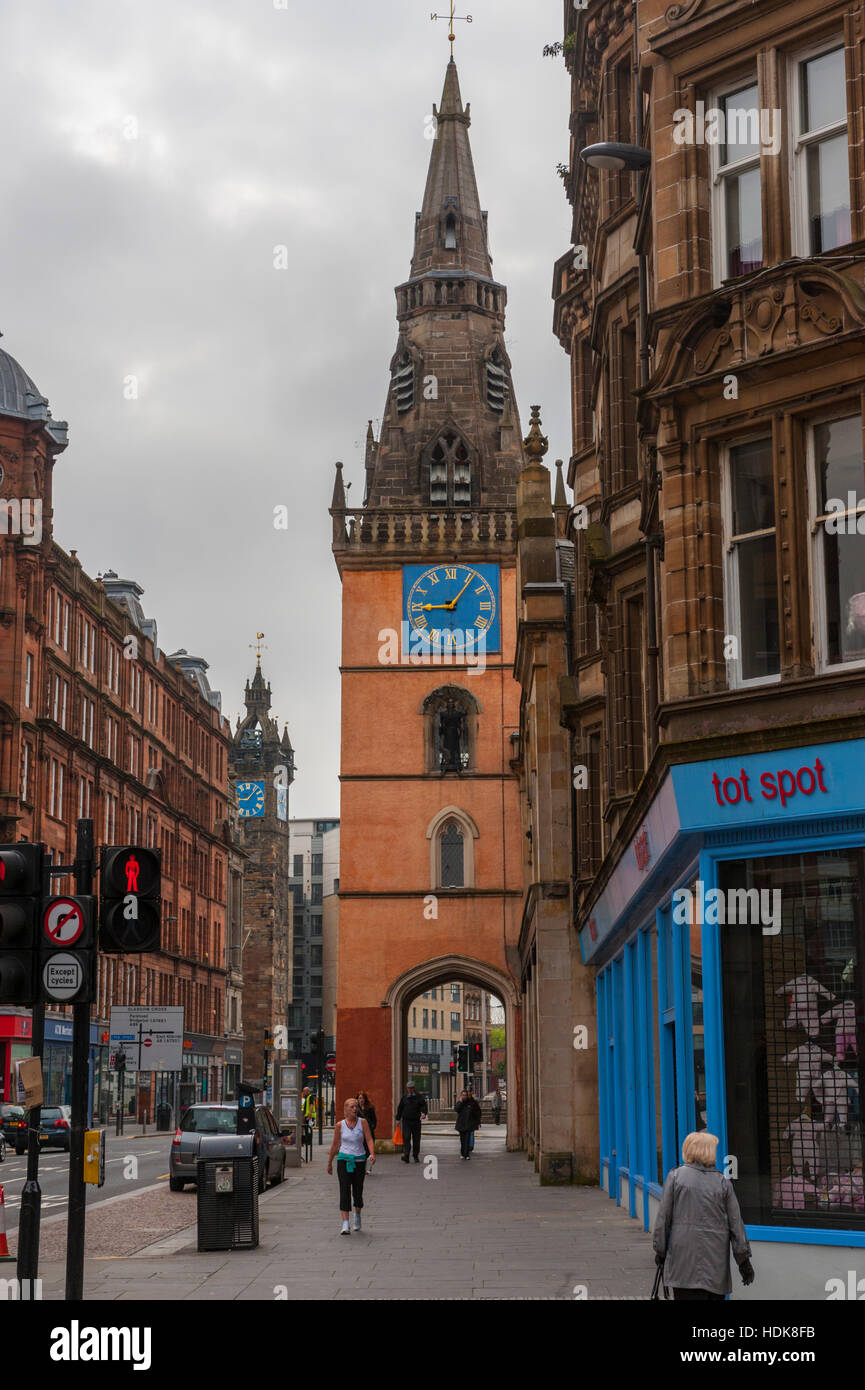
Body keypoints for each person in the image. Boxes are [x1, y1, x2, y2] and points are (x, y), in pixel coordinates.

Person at [652, 1130, 755, 1299]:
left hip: (682, 1259)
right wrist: (743, 1261)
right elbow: (736, 1224)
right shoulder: (723, 1182)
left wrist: (660, 1250)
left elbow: (663, 1219)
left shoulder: (675, 1177)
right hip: (715, 1261)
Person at [327, 1097, 375, 1234]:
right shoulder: (340, 1125)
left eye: (356, 1107)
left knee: (357, 1191)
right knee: (344, 1190)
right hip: (343, 1160)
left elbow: (369, 1139)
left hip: (359, 1161)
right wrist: (329, 1162)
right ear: (346, 1109)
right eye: (352, 1107)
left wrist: (372, 1154)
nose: (355, 1109)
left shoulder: (363, 1123)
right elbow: (335, 1144)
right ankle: (345, 1223)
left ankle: (357, 1215)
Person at [395, 1080, 427, 1163]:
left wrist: (423, 1113)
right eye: (408, 1088)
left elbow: (423, 1105)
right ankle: (406, 1155)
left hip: (416, 1121)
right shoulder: (405, 1097)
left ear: (413, 1088)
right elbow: (400, 1108)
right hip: (406, 1121)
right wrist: (398, 1119)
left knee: (416, 1139)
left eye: (411, 1088)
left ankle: (415, 1155)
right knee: (406, 1138)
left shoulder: (419, 1097)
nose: (409, 1090)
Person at [455, 1088, 481, 1159]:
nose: (464, 1096)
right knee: (462, 1140)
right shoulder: (459, 1103)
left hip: (469, 1124)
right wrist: (460, 1102)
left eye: (465, 1095)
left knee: (467, 1140)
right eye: (463, 1095)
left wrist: (478, 1122)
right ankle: (462, 1153)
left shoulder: (472, 1103)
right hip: (461, 1125)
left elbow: (477, 1113)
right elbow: (456, 1109)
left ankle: (466, 1154)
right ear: (461, 1096)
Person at [357, 1091, 377, 1173]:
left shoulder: (370, 1108)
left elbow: (374, 1120)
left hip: (369, 1132)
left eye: (362, 1098)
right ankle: (362, 1168)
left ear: (365, 1099)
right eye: (359, 1098)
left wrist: (372, 1127)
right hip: (359, 1132)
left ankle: (368, 1168)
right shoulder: (355, 1108)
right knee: (361, 1150)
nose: (361, 1100)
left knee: (369, 1150)